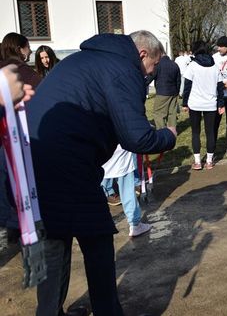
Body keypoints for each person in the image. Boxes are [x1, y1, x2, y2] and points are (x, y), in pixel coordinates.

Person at [28, 31, 177, 316]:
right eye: (154, 65)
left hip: (34, 157)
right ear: (143, 54)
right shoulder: (123, 69)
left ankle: (50, 311)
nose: (153, 73)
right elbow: (137, 138)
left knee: (54, 245)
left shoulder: (88, 59)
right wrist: (168, 136)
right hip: (68, 163)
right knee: (97, 240)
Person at [0, 33, 41, 244]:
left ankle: (12, 226)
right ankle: (22, 227)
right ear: (20, 49)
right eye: (28, 47)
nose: (30, 51)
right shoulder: (25, 74)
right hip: (22, 139)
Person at [183, 40, 225, 170]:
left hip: (195, 103)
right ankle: (209, 161)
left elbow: (187, 86)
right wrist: (221, 104)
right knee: (210, 132)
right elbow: (220, 87)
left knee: (195, 132)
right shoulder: (215, 66)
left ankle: (197, 162)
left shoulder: (192, 66)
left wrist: (184, 103)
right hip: (210, 104)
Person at [101, 145, 151, 237]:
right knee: (127, 191)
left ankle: (99, 225)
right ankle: (135, 225)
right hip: (121, 157)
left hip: (99, 158)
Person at [146, 52, 181, 129]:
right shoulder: (174, 65)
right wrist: (177, 92)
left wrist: (142, 83)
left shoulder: (158, 65)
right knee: (172, 113)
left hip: (162, 92)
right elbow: (178, 80)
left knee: (158, 113)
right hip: (173, 92)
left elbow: (150, 77)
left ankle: (162, 131)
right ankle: (172, 131)